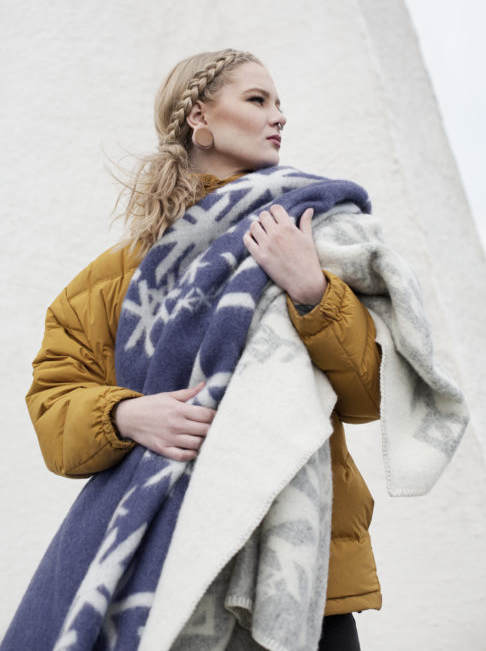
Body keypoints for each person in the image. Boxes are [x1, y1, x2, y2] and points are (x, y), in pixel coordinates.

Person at [25, 48, 382, 651]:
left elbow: (367, 393)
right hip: (166, 563)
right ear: (200, 118)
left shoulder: (309, 235)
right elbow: (54, 400)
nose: (279, 116)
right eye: (257, 100)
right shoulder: (116, 278)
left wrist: (311, 290)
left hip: (298, 570)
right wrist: (124, 414)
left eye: (278, 103)